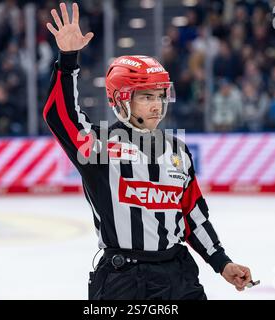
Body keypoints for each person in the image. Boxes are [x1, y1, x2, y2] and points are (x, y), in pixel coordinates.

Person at [44, 2, 254, 300]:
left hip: (179, 275)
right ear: (121, 99)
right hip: (124, 281)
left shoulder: (177, 150)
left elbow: (192, 215)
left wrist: (222, 262)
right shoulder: (100, 147)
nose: (157, 104)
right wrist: (68, 60)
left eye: (160, 95)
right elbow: (59, 115)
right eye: (146, 96)